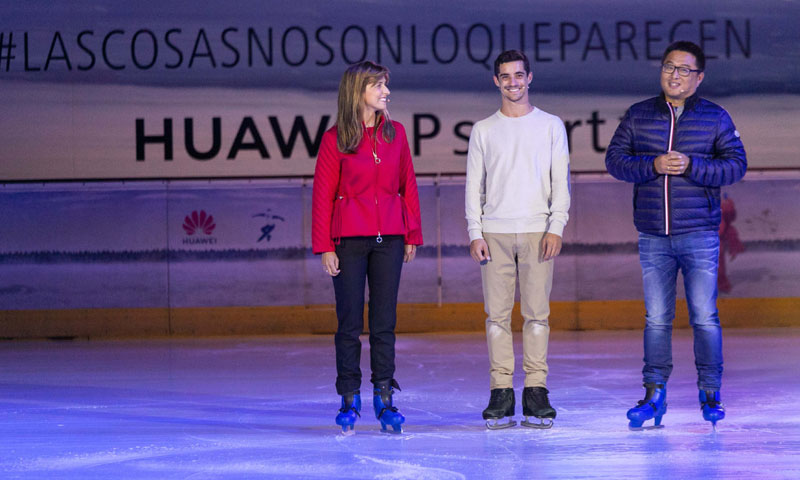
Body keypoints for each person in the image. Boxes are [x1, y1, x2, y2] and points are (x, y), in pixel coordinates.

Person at [605, 41, 746, 430]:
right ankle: (654, 394)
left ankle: (710, 391)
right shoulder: (639, 115)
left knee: (704, 317)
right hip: (653, 235)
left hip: (699, 233)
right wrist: (652, 163)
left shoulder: (715, 118)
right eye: (669, 67)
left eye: (685, 70)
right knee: (657, 319)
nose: (675, 75)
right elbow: (615, 160)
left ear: (699, 78)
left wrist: (691, 165)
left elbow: (735, 166)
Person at [311, 60, 423, 435]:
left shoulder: (397, 134)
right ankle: (349, 396)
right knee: (349, 324)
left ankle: (383, 395)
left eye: (385, 85)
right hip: (348, 241)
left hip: (390, 237)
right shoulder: (335, 139)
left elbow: (408, 184)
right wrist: (324, 246)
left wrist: (412, 234)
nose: (386, 92)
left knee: (383, 322)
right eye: (377, 86)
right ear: (357, 91)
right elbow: (323, 196)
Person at [465, 50, 571, 430]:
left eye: (519, 75)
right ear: (496, 81)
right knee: (496, 317)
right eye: (505, 76)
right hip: (494, 231)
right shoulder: (483, 130)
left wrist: (556, 226)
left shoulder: (550, 126)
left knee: (536, 315)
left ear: (530, 78)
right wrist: (475, 232)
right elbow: (473, 186)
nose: (513, 82)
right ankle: (501, 392)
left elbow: (561, 182)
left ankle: (536, 390)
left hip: (537, 230)